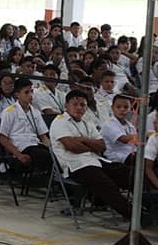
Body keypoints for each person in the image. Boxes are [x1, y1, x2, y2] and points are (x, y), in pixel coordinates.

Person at [49, 89, 132, 220]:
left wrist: (82, 139)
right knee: (106, 184)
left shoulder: (87, 122)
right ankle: (133, 215)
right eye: (75, 104)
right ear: (66, 105)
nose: (79, 108)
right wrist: (91, 146)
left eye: (82, 105)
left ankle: (148, 206)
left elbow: (102, 145)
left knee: (127, 174)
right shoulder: (60, 122)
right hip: (76, 165)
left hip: (97, 160)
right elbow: (72, 147)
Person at [0, 77, 52, 177]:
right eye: (26, 92)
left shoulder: (36, 112)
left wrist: (52, 149)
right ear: (17, 94)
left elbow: (43, 136)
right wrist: (19, 155)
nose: (30, 95)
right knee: (45, 156)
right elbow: (3, 138)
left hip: (36, 145)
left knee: (55, 154)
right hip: (21, 147)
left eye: (31, 91)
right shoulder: (9, 112)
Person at [101, 94, 138, 166]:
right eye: (118, 107)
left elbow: (136, 142)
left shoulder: (130, 126)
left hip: (131, 154)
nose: (122, 110)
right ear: (112, 108)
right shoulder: (109, 124)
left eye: (126, 107)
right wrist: (144, 134)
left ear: (130, 109)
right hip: (117, 158)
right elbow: (123, 139)